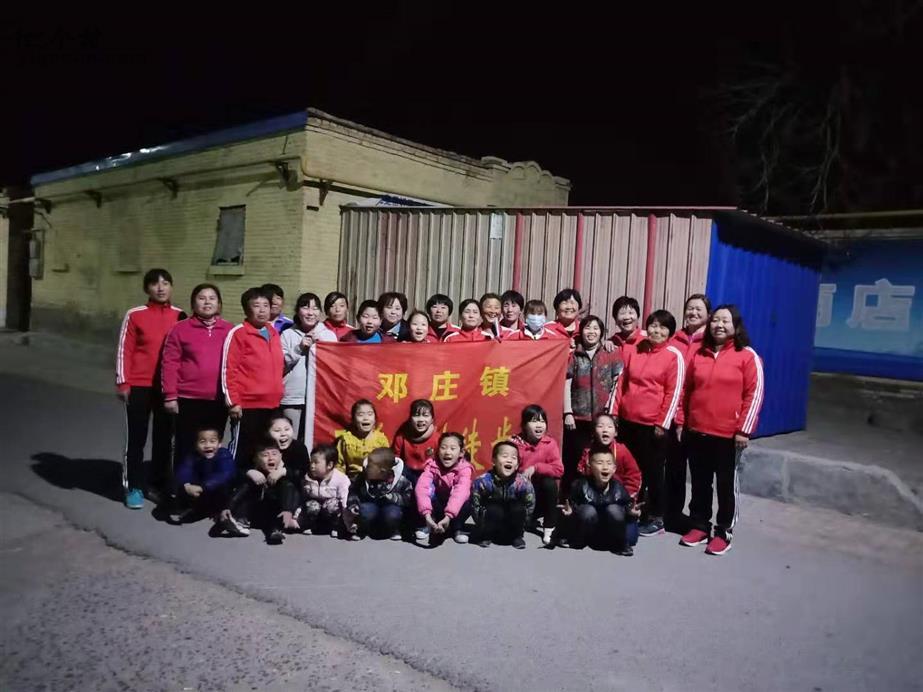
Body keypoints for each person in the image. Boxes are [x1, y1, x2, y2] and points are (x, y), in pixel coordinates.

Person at [677, 304, 764, 556]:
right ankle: (699, 525)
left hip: (728, 435)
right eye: (715, 320)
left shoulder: (747, 356)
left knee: (725, 486)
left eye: (725, 321)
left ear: (735, 326)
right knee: (700, 482)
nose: (719, 325)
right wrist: (682, 421)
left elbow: (754, 394)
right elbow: (686, 390)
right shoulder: (699, 354)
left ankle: (723, 531)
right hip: (698, 430)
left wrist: (744, 429)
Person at [116, 268, 186, 508]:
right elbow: (125, 349)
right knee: (136, 439)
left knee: (164, 439)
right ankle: (133, 487)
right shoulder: (135, 315)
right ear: (147, 288)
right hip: (138, 385)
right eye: (155, 284)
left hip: (167, 387)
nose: (161, 288)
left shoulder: (180, 315)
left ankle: (157, 484)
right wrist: (123, 382)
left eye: (165, 283)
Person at [612, 310, 685, 538]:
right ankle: (631, 509)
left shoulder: (674, 356)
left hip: (653, 426)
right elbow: (621, 382)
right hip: (628, 421)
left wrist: (662, 424)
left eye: (663, 327)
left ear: (670, 332)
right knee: (628, 468)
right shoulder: (636, 349)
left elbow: (674, 393)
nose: (657, 331)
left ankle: (656, 517)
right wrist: (614, 412)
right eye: (653, 325)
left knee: (653, 472)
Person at [161, 283, 233, 466]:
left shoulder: (229, 330)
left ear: (219, 303)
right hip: (188, 399)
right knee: (186, 445)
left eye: (212, 298)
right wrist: (170, 396)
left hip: (218, 399)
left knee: (212, 447)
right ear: (193, 304)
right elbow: (170, 363)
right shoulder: (180, 329)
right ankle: (183, 482)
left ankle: (208, 482)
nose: (207, 302)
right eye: (202, 298)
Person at [221, 286, 284, 472]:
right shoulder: (238, 333)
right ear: (247, 309)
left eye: (266, 305)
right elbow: (228, 369)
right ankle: (234, 483)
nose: (262, 310)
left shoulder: (273, 332)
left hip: (272, 404)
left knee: (266, 452)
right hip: (247, 405)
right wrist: (233, 402)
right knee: (243, 449)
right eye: (256, 306)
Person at [664, 293, 711, 532]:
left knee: (700, 471)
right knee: (674, 468)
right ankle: (672, 514)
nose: (693, 312)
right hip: (673, 414)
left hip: (698, 417)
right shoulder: (675, 339)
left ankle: (699, 521)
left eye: (698, 309)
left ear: (708, 315)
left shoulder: (711, 342)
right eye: (690, 308)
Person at [562, 316, 623, 492]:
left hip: (603, 418)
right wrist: (568, 412)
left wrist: (611, 413)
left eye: (596, 328)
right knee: (574, 460)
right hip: (578, 418)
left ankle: (598, 496)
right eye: (588, 328)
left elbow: (617, 383)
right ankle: (571, 498)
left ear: (601, 332)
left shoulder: (611, 353)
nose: (591, 332)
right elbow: (566, 383)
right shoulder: (574, 354)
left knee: (599, 461)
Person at [281, 292, 338, 440]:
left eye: (315, 308)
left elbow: (335, 367)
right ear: (297, 311)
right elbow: (280, 365)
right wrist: (299, 348)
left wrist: (321, 347)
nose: (310, 313)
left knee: (315, 440)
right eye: (305, 308)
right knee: (290, 439)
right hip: (293, 397)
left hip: (320, 398)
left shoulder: (328, 335)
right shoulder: (287, 335)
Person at [560, 447, 637, 556]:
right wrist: (569, 512)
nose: (605, 467)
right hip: (590, 528)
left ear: (614, 468)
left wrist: (632, 512)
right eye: (600, 463)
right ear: (590, 466)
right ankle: (579, 541)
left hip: (610, 530)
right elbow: (572, 506)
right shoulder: (580, 485)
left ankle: (620, 545)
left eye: (609, 463)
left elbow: (627, 509)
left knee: (615, 510)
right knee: (588, 511)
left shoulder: (619, 488)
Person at [217, 440, 296, 544]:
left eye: (274, 454)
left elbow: (298, 476)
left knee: (287, 485)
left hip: (277, 514)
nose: (271, 458)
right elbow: (235, 477)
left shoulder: (286, 471)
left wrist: (287, 509)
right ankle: (238, 521)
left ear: (281, 456)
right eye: (265, 455)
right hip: (255, 512)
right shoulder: (253, 470)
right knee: (246, 485)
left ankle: (276, 530)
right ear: (256, 459)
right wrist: (249, 472)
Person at [511, 405, 563, 546]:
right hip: (520, 493)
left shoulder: (550, 443)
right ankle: (522, 522)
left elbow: (559, 469)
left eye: (542, 421)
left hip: (540, 495)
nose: (539, 425)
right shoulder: (514, 443)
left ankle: (549, 528)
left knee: (549, 483)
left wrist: (536, 468)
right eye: (534, 421)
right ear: (524, 425)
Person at [470, 441, 535, 549]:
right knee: (493, 508)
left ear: (517, 465)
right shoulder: (482, 482)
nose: (509, 460)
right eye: (504, 456)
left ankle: (516, 536)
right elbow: (474, 506)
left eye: (514, 458)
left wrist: (524, 525)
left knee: (518, 508)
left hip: (512, 521)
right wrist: (480, 525)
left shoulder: (523, 483)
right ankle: (486, 536)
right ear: (494, 461)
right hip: (490, 520)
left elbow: (530, 506)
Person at [414, 432, 473, 547]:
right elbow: (422, 487)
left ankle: (458, 528)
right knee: (422, 490)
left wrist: (448, 516)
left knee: (467, 497)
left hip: (454, 509)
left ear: (461, 453)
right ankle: (429, 524)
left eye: (452, 448)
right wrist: (427, 515)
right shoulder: (432, 465)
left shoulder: (465, 469)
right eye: (443, 447)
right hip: (437, 506)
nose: (447, 452)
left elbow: (460, 492)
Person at [169, 426, 236, 525]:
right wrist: (186, 485)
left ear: (219, 444)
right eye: (202, 442)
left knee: (225, 485)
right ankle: (191, 506)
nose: (208, 445)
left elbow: (225, 474)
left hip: (216, 490)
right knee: (180, 481)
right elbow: (184, 469)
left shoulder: (224, 455)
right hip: (199, 490)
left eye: (212, 441)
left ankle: (221, 510)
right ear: (196, 445)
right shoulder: (193, 455)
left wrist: (203, 487)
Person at [344, 448, 414, 541]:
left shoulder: (401, 480)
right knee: (365, 510)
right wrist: (353, 505)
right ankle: (362, 529)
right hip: (371, 506)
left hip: (390, 507)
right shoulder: (363, 477)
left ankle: (393, 530)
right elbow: (353, 491)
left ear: (382, 471)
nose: (366, 468)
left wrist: (393, 497)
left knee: (393, 513)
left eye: (370, 467)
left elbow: (408, 498)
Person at [577, 413, 643, 499]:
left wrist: (627, 497)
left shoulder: (622, 451)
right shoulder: (589, 451)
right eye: (600, 426)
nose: (605, 430)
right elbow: (582, 473)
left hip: (618, 497)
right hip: (593, 496)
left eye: (609, 427)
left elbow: (634, 476)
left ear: (616, 432)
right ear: (593, 432)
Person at [294, 443, 350, 536]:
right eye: (311, 462)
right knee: (311, 505)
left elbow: (344, 501)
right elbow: (302, 498)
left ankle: (335, 527)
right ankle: (311, 525)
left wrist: (348, 523)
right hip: (316, 511)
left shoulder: (341, 479)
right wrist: (296, 516)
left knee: (334, 504)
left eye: (316, 462)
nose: (312, 466)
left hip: (331, 512)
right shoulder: (307, 478)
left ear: (330, 465)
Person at [266, 413, 310, 531]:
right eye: (277, 431)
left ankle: (282, 522)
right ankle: (237, 517)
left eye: (287, 429)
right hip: (269, 490)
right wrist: (254, 472)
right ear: (268, 433)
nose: (283, 433)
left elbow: (305, 471)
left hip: (293, 494)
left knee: (287, 484)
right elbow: (247, 467)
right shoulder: (264, 448)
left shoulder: (299, 447)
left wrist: (284, 471)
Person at [337, 399, 390, 479]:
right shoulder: (346, 439)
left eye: (370, 414)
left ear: (375, 419)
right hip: (352, 480)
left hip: (375, 480)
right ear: (353, 420)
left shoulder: (381, 440)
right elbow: (339, 465)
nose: (366, 418)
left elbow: (386, 463)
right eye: (360, 415)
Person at [391, 399, 438, 485]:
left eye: (425, 415)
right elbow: (395, 459)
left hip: (428, 474)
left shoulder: (437, 438)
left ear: (432, 419)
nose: (421, 419)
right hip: (407, 473)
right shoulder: (401, 437)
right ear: (410, 418)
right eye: (416, 415)